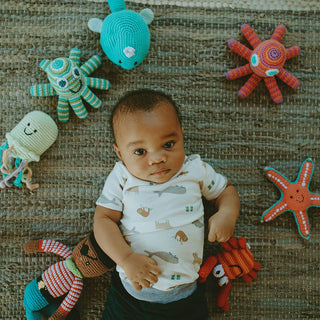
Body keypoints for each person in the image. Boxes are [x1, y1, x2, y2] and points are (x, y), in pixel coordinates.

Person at [94, 89, 240, 319]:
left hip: (186, 296)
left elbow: (226, 190)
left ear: (182, 135)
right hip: (132, 294)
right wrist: (126, 258)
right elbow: (102, 220)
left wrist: (227, 214)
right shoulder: (122, 177)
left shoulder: (194, 169)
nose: (157, 158)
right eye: (140, 151)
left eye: (169, 144)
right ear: (119, 152)